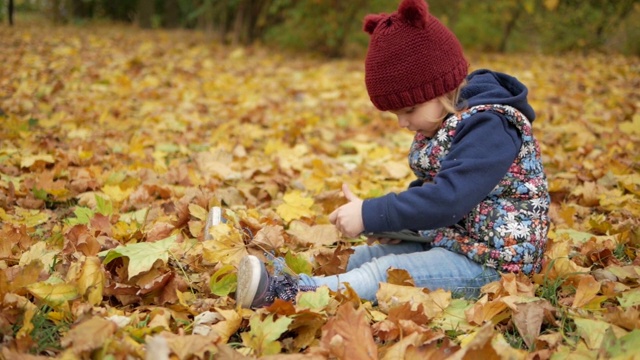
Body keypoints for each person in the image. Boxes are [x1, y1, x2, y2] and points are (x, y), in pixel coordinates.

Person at [235, 0, 550, 308]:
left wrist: (370, 213)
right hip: (461, 242)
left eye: (409, 110)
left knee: (383, 276)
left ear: (442, 88)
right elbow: (431, 195)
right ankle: (276, 272)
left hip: (496, 266)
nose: (403, 123)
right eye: (396, 114)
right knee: (365, 256)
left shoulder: (490, 125)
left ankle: (289, 295)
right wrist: (392, 226)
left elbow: (447, 199)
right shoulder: (447, 119)